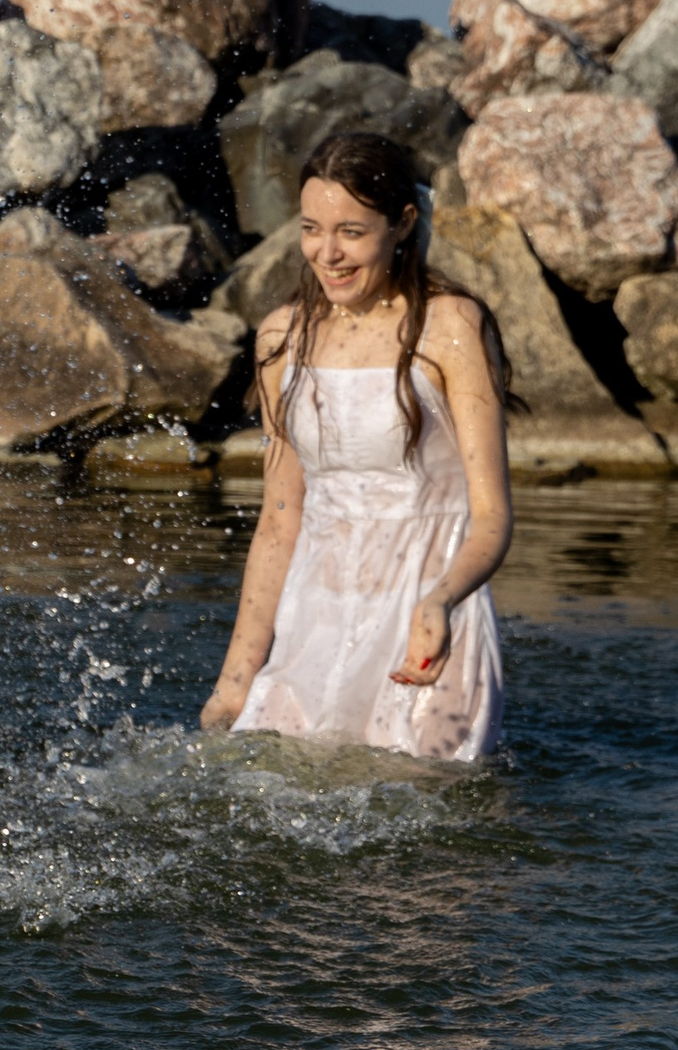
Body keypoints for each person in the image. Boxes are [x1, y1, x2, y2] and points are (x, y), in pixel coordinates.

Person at [200, 128, 513, 758]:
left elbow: (491, 517)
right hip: (315, 616)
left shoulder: (450, 326)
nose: (327, 253)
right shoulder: (281, 338)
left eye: (351, 232)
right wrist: (235, 682)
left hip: (427, 620)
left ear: (401, 225)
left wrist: (442, 601)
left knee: (428, 823)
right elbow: (279, 520)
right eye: (312, 228)